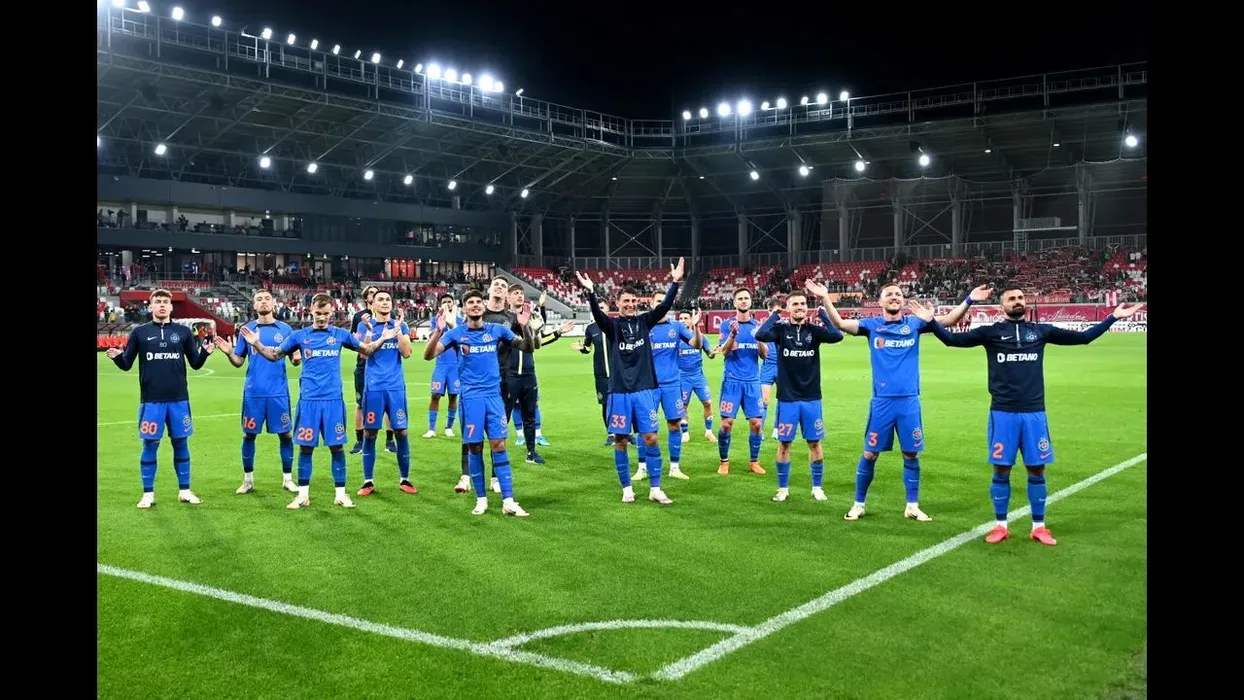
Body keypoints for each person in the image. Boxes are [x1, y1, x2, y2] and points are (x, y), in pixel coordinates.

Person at [916, 287, 1144, 545]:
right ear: (1002, 306)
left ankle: (1039, 527)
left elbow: (1083, 337)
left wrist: (1113, 317)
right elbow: (951, 340)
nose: (1017, 302)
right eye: (1011, 299)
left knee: (1036, 469)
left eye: (1020, 298)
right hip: (1003, 412)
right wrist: (931, 322)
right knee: (1001, 469)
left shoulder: (1041, 331)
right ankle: (1000, 526)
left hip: (1034, 412)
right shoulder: (990, 333)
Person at [816, 281, 990, 522]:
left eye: (898, 294)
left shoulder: (915, 323)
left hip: (909, 402)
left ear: (903, 299)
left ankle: (912, 506)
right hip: (882, 402)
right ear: (880, 301)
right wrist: (825, 297)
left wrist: (969, 299)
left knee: (911, 454)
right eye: (889, 294)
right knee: (870, 454)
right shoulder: (871, 326)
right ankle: (858, 504)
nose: (894, 297)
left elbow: (950, 320)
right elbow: (840, 324)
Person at [239, 293, 394, 510]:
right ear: (311, 310)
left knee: (337, 447)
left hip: (333, 401)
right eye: (318, 313)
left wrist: (383, 338)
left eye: (326, 313)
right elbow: (275, 355)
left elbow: (366, 350)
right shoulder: (300, 336)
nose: (322, 317)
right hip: (309, 401)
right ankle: (302, 495)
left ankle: (341, 495)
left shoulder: (340, 334)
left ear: (332, 312)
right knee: (306, 448)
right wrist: (256, 344)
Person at [575, 257, 685, 505]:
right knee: (621, 441)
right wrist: (591, 292)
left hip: (644, 390)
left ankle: (655, 488)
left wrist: (675, 283)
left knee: (651, 438)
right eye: (626, 301)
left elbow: (664, 307)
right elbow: (597, 315)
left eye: (634, 301)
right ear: (618, 303)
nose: (631, 305)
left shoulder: (644, 321)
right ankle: (626, 488)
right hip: (620, 392)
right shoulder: (612, 326)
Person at [424, 289, 535, 517]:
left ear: (483, 307)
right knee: (475, 447)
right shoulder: (456, 334)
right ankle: (481, 499)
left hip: (494, 397)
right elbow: (428, 355)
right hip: (471, 399)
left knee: (499, 445)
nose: (475, 305)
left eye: (478, 302)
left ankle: (508, 501)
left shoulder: (497, 330)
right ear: (464, 308)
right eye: (470, 302)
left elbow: (527, 347)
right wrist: (438, 331)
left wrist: (524, 327)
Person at [106, 289, 213, 508]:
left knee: (181, 443)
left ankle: (184, 491)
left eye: (166, 301)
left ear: (171, 307)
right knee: (150, 445)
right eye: (158, 301)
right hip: (151, 401)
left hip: (179, 400)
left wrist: (205, 353)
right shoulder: (140, 333)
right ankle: (148, 494)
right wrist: (117, 358)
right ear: (151, 306)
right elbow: (126, 364)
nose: (162, 305)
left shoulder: (183, 332)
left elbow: (195, 364)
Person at [753, 286, 843, 501]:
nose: (800, 307)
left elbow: (837, 335)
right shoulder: (781, 330)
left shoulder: (814, 331)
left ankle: (817, 487)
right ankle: (783, 489)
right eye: (795, 304)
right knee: (784, 444)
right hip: (788, 398)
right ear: (788, 308)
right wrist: (775, 315)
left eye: (803, 303)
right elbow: (760, 334)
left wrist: (823, 315)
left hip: (812, 397)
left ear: (807, 307)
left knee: (814, 443)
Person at [213, 289, 300, 495]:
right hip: (254, 392)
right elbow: (238, 361)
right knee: (249, 435)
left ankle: (288, 479)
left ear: (273, 304)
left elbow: (295, 360)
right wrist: (229, 353)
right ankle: (248, 480)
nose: (263, 302)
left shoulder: (285, 329)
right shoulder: (247, 330)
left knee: (285, 435)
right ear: (254, 305)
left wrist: (297, 357)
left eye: (267, 298)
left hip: (278, 392)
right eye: (259, 299)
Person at [356, 290, 416, 497]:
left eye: (388, 299)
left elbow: (407, 353)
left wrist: (397, 329)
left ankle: (404, 479)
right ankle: (368, 481)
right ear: (372, 304)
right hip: (373, 387)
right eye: (380, 299)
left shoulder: (401, 326)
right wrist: (374, 333)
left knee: (402, 432)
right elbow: (364, 354)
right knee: (370, 433)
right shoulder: (365, 325)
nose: (384, 302)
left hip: (395, 387)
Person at [635, 297, 701, 482]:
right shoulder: (643, 325)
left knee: (674, 425)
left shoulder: (677, 326)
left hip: (672, 384)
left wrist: (696, 327)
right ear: (651, 304)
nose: (660, 304)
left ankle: (674, 468)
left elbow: (696, 344)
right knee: (645, 427)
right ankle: (642, 468)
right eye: (657, 301)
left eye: (663, 301)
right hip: (649, 385)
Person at [507, 286, 572, 453]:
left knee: (533, 404)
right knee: (513, 406)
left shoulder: (530, 317)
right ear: (508, 297)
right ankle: (519, 435)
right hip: (509, 371)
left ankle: (537, 436)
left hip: (528, 369)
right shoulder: (504, 319)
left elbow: (539, 341)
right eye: (515, 293)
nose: (520, 296)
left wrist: (558, 332)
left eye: (521, 293)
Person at [713, 288, 769, 475]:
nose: (744, 301)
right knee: (726, 423)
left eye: (746, 298)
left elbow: (764, 355)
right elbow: (724, 352)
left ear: (751, 302)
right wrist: (732, 335)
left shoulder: (758, 326)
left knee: (757, 424)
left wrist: (759, 337)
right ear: (734, 302)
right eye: (740, 299)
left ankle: (754, 462)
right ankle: (724, 461)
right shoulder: (727, 325)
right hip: (732, 381)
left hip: (752, 382)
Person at [349, 286, 393, 454]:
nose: (379, 298)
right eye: (373, 294)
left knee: (389, 404)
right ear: (368, 298)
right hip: (363, 367)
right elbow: (355, 342)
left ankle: (390, 440)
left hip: (385, 369)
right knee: (360, 404)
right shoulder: (359, 318)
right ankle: (359, 441)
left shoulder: (390, 317)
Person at [572, 300, 615, 446]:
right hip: (600, 373)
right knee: (605, 404)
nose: (600, 310)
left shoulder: (615, 324)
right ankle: (611, 434)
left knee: (622, 403)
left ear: (608, 309)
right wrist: (582, 348)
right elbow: (588, 347)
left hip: (618, 373)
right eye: (597, 308)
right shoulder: (591, 328)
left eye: (602, 307)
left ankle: (626, 433)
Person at [677, 309, 717, 445]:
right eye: (680, 318)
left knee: (708, 403)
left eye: (685, 318)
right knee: (683, 406)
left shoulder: (700, 337)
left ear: (691, 320)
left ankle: (709, 431)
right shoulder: (676, 339)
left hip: (698, 376)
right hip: (682, 377)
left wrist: (714, 353)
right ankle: (685, 433)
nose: (682, 321)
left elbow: (709, 354)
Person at [424, 293, 461, 439]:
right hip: (441, 364)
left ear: (453, 304)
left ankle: (449, 427)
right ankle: (431, 428)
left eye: (449, 301)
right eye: (444, 301)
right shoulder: (436, 320)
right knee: (435, 395)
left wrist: (452, 325)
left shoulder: (460, 321)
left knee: (453, 396)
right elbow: (430, 338)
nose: (447, 304)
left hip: (455, 365)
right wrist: (439, 328)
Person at [760, 297, 782, 440]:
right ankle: (760, 430)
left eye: (774, 311)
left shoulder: (786, 326)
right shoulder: (764, 327)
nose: (772, 314)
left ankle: (777, 429)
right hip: (767, 366)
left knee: (782, 400)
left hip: (783, 368)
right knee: (764, 401)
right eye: (770, 311)